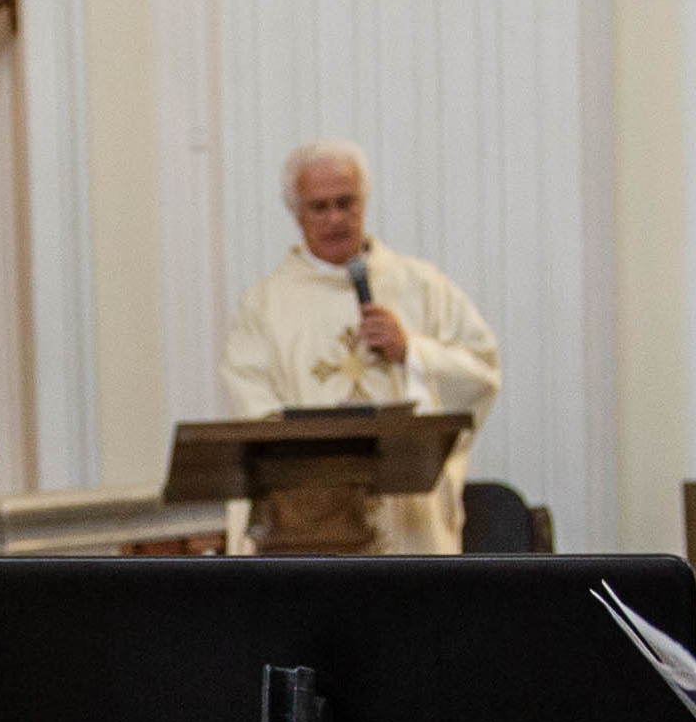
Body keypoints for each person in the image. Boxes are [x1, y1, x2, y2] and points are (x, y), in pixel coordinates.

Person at [214, 140, 503, 553]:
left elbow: (482, 373)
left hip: (407, 520)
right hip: (309, 525)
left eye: (346, 203)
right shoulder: (263, 306)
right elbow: (253, 407)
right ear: (296, 213)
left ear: (364, 203)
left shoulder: (421, 287)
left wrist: (412, 353)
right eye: (319, 206)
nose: (335, 219)